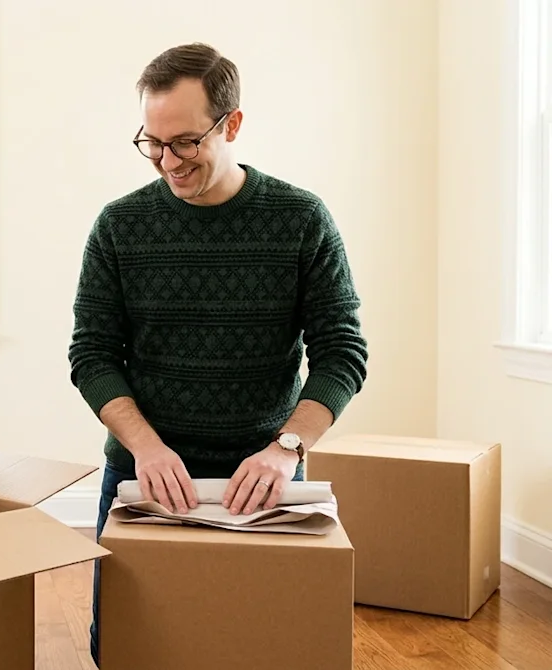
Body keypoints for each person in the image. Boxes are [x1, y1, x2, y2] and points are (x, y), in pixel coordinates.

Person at [67, 43, 368, 666]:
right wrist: (146, 448)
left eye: (184, 142)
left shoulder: (301, 219)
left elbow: (341, 350)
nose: (166, 161)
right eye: (151, 142)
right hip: (144, 477)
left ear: (231, 124)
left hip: (262, 480)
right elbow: (92, 354)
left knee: (261, 646)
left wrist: (286, 450)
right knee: (128, 647)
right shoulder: (119, 226)